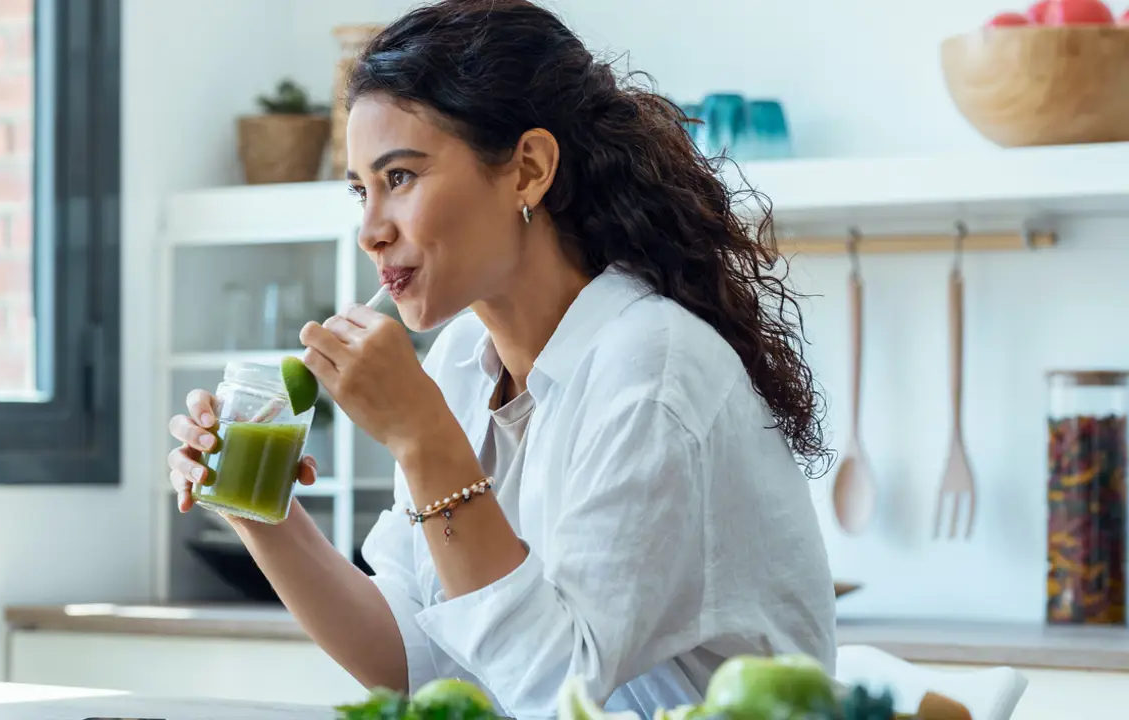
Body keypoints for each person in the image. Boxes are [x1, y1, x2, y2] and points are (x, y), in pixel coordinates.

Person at [166, 1, 836, 717]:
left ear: (528, 171)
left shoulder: (652, 372)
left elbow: (560, 692)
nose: (370, 230)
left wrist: (425, 444)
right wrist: (258, 510)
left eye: (400, 178)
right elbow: (417, 660)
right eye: (362, 190)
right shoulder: (460, 361)